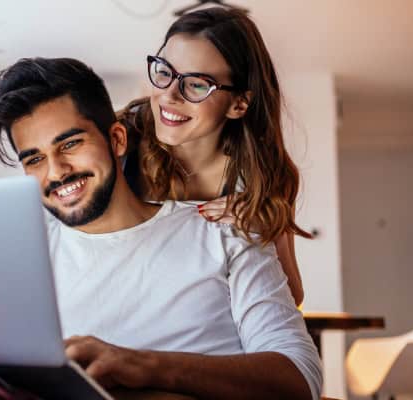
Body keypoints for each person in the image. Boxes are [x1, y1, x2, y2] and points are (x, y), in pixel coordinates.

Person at [0, 57, 321, 400]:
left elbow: (298, 377)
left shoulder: (223, 233)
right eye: (34, 159)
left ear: (116, 138)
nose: (56, 172)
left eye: (69, 144)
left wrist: (142, 365)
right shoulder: (12, 253)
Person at [119, 7, 310, 306]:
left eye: (196, 84)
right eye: (165, 72)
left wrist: (265, 234)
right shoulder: (119, 144)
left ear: (239, 104)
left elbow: (292, 295)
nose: (169, 95)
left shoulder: (266, 176)